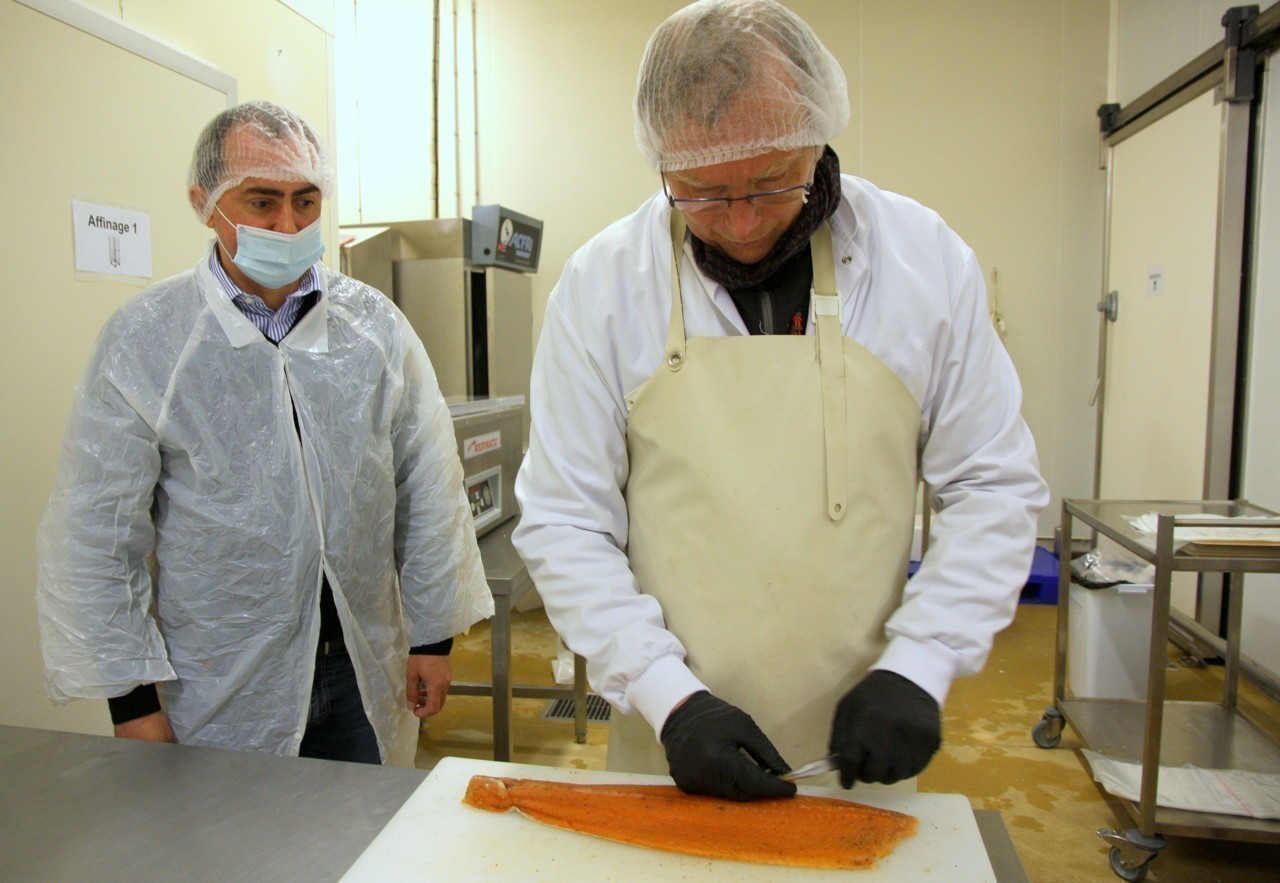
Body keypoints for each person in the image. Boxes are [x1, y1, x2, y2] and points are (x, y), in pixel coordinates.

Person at [513, 0, 1049, 801]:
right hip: (673, 741)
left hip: (862, 739)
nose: (741, 222)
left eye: (770, 181)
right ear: (661, 162)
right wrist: (669, 697)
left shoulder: (920, 261)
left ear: (818, 131)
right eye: (700, 192)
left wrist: (923, 662)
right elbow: (566, 519)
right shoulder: (604, 286)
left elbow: (991, 483)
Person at [36, 100, 494, 766]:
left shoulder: (374, 329)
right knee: (229, 860)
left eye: (306, 202)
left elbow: (427, 489)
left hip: (362, 665)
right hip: (215, 684)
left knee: (360, 851)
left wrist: (433, 638)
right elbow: (98, 535)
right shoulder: (147, 342)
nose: (288, 225)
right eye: (262, 202)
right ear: (204, 202)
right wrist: (131, 703)